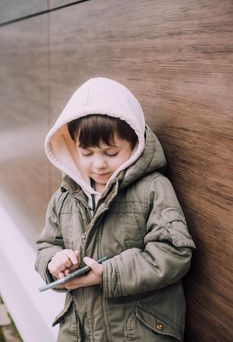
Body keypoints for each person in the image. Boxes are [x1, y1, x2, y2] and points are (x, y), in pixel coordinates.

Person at [35, 77, 195, 342]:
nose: (98, 164)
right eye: (87, 154)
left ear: (135, 144)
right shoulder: (64, 197)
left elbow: (174, 252)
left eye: (111, 153)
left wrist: (108, 274)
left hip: (137, 330)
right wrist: (54, 263)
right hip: (80, 330)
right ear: (74, 148)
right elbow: (46, 246)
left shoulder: (153, 188)